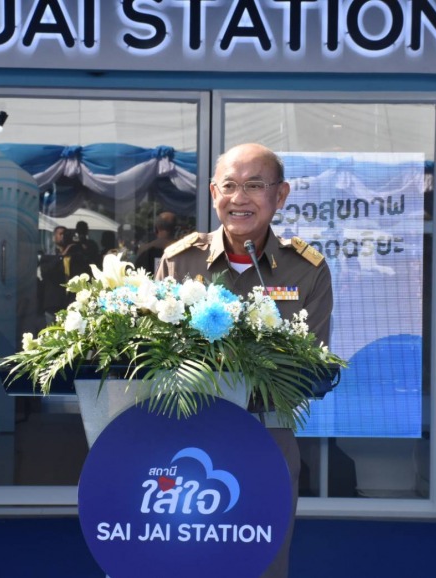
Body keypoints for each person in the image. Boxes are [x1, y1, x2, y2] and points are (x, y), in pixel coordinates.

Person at [155, 143, 333, 578]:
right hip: (185, 438)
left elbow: (308, 366)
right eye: (230, 186)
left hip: (266, 439)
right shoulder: (180, 262)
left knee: (263, 561)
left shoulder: (306, 269)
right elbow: (154, 357)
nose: (240, 198)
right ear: (214, 192)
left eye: (255, 185)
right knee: (182, 559)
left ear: (281, 194)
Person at [39, 226, 83, 325]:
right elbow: (46, 272)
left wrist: (78, 246)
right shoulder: (49, 255)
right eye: (60, 234)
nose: (63, 236)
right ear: (54, 237)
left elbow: (85, 268)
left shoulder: (75, 254)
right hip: (54, 303)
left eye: (65, 234)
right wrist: (62, 255)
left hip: (71, 301)